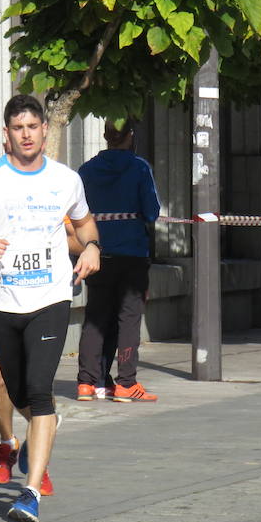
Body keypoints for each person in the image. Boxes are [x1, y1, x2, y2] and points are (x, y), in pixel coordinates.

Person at [0, 94, 101, 522]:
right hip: (3, 300)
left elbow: (86, 223)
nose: (27, 134)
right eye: (18, 128)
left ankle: (30, 492)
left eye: (33, 126)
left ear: (45, 131)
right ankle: (43, 427)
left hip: (50, 297)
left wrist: (92, 248)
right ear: (6, 134)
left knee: (38, 388)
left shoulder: (66, 179)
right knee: (13, 390)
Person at [0, 217, 84, 494]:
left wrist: (45, 245)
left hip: (44, 299)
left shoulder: (52, 189)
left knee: (38, 382)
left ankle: (38, 461)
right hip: (1, 296)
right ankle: (9, 443)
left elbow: (79, 238)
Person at [76, 119, 161, 403]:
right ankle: (126, 383)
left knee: (96, 315)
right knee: (129, 317)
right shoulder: (139, 168)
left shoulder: (86, 171)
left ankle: (87, 382)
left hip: (96, 252)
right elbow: (151, 211)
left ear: (105, 136)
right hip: (132, 253)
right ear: (131, 137)